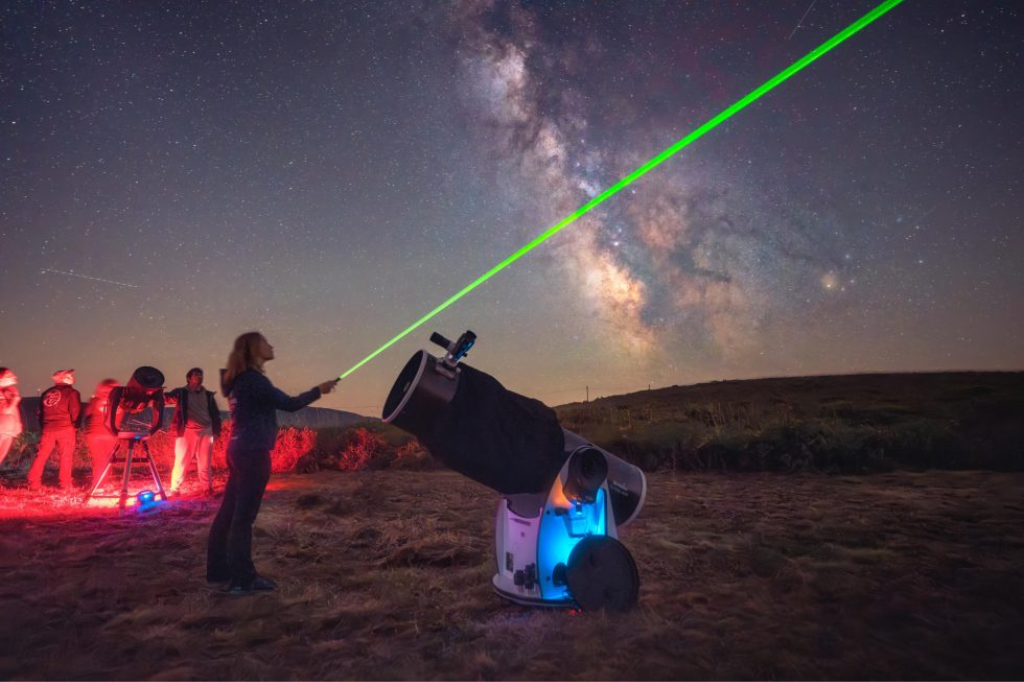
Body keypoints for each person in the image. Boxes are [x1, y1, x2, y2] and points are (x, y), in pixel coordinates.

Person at [207, 332, 337, 594]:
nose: (272, 345)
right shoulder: (254, 381)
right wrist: (318, 391)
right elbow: (290, 404)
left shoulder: (240, 381)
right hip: (253, 453)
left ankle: (218, 570)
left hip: (238, 449)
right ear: (254, 348)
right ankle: (243, 581)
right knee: (243, 517)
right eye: (266, 342)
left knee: (229, 513)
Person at [164, 368, 222, 497]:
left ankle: (207, 488)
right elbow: (166, 399)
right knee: (182, 460)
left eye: (201, 374)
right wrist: (157, 392)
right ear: (189, 378)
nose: (199, 376)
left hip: (206, 430)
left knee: (205, 461)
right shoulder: (181, 393)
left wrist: (216, 431)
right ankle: (175, 488)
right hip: (187, 431)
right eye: (196, 374)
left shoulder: (208, 395)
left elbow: (215, 415)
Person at [27, 369, 82, 491]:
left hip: (48, 429)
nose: (72, 376)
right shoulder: (72, 392)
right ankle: (65, 484)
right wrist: (76, 426)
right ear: (64, 378)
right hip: (65, 428)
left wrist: (44, 426)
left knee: (41, 455)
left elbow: (40, 413)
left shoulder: (46, 393)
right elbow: (75, 411)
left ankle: (33, 482)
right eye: (70, 375)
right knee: (66, 456)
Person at [83, 379, 119, 484]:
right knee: (107, 460)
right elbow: (119, 418)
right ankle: (102, 483)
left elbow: (87, 413)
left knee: (98, 460)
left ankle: (100, 483)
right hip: (110, 434)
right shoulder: (117, 402)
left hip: (94, 433)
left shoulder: (95, 400)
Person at [0, 368, 23, 467]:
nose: (14, 377)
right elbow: (5, 410)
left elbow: (14, 411)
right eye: (9, 375)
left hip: (8, 429)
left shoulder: (9, 391)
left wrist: (17, 424)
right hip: (2, 429)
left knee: (1, 455)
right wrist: (15, 400)